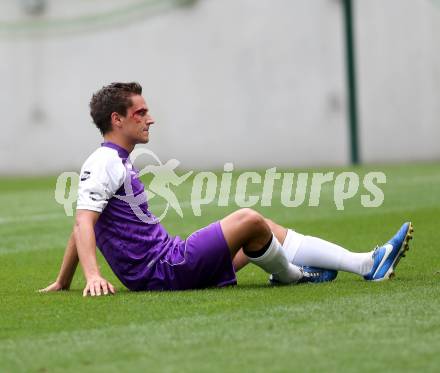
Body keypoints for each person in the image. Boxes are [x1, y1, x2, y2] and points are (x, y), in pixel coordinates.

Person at [40, 82, 414, 296]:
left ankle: (366, 263)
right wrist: (91, 276)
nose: (150, 118)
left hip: (170, 260)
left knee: (261, 228)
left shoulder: (116, 160)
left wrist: (63, 280)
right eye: (140, 113)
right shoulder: (104, 161)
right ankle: (294, 274)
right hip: (165, 270)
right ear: (116, 119)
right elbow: (83, 223)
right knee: (248, 219)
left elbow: (88, 220)